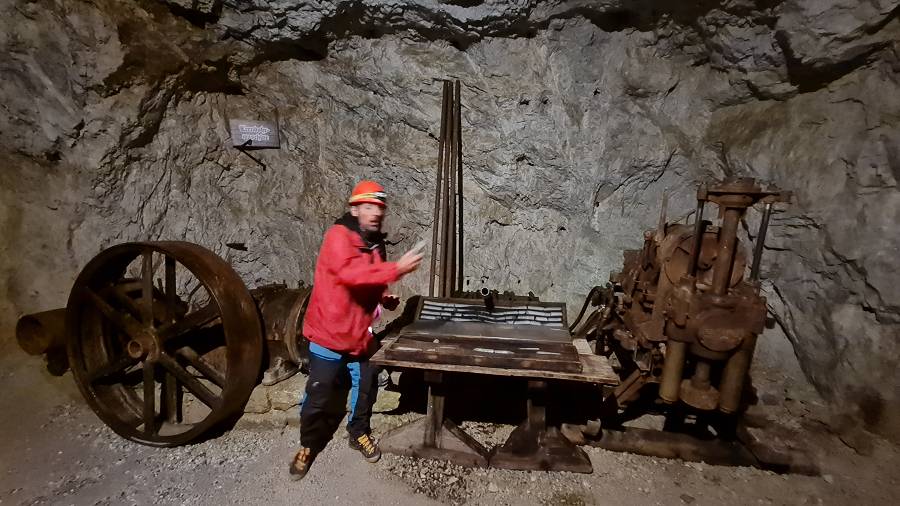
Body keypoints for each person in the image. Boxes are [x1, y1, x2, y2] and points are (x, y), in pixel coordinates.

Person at [289, 180, 423, 481]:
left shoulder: (376, 244)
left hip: (358, 336)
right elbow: (350, 275)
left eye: (379, 207)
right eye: (368, 206)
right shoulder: (338, 236)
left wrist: (382, 298)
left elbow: (367, 283)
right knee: (318, 396)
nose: (375, 213)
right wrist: (397, 269)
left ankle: (357, 431)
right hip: (329, 334)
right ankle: (308, 445)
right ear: (354, 208)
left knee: (366, 386)